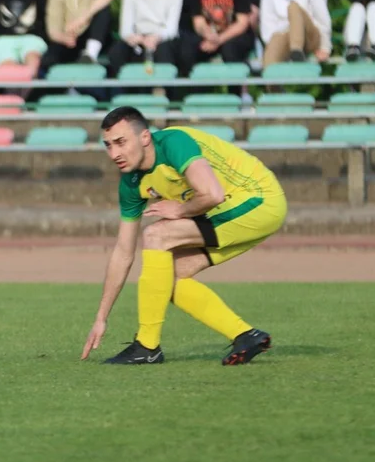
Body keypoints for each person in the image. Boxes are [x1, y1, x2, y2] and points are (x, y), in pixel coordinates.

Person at [81, 106, 285, 366]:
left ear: (145, 137)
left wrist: (179, 209)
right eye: (108, 145)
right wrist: (101, 317)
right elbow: (122, 252)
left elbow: (213, 194)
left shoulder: (174, 143)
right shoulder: (131, 183)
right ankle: (246, 335)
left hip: (259, 200)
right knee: (166, 276)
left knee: (156, 234)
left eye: (121, 142)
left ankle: (147, 346)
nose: (114, 153)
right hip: (232, 213)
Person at [107, 0, 183, 79]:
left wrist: (156, 37)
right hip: (137, 36)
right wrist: (139, 39)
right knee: (116, 53)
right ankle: (123, 93)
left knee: (165, 52)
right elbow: (125, 28)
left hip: (162, 37)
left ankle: (163, 91)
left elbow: (172, 28)